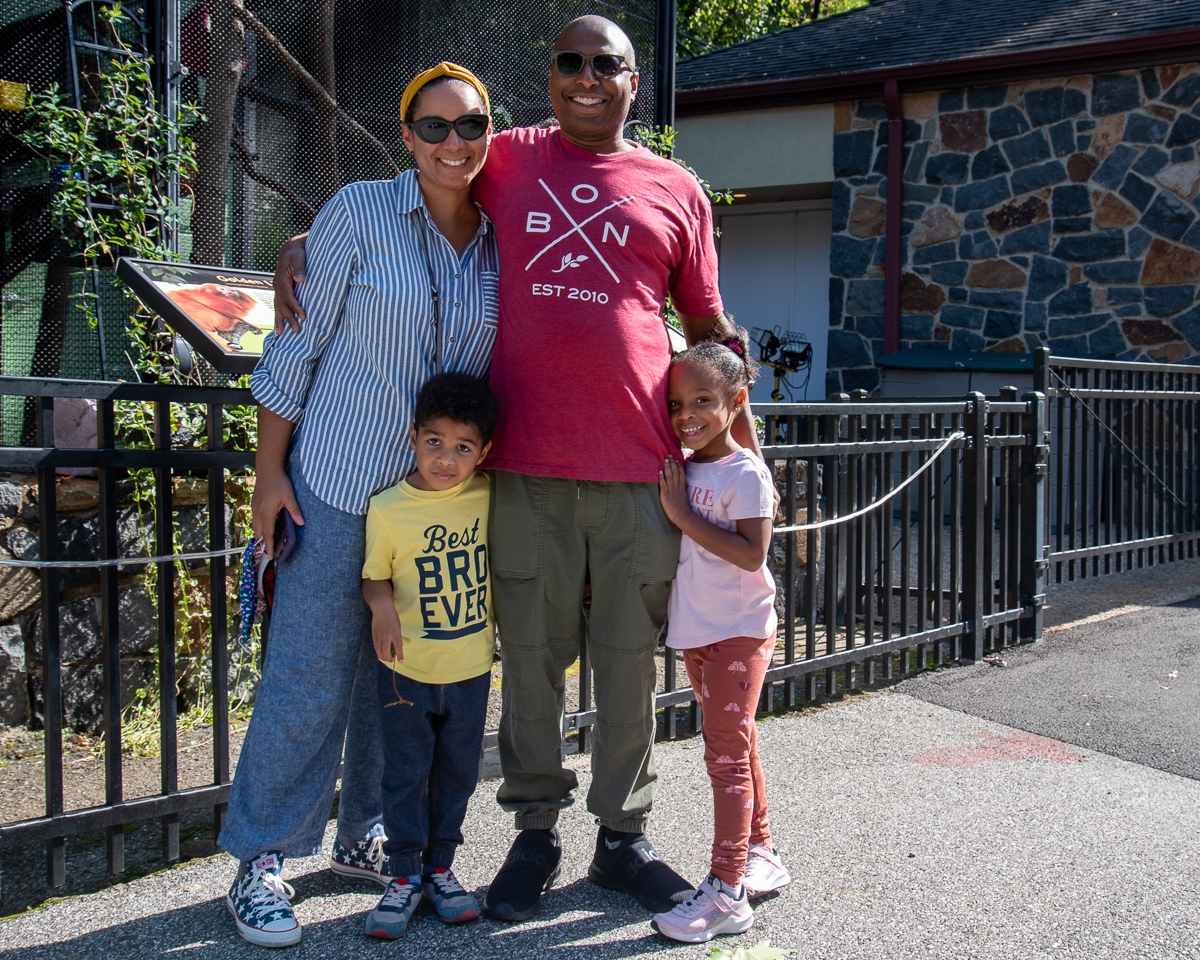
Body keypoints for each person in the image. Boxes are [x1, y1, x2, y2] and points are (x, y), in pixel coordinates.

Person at [272, 16, 763, 923]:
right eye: (570, 62)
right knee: (530, 668)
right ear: (550, 76)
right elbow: (423, 175)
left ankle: (623, 839)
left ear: (633, 80)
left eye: (605, 63)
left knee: (625, 667)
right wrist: (307, 236)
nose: (586, 76)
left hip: (638, 477)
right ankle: (535, 833)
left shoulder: (677, 189)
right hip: (524, 473)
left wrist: (741, 447)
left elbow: (706, 326)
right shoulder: (506, 156)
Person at [221, 63, 498, 949]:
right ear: (406, 134)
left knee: (401, 682)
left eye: (471, 124)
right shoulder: (357, 214)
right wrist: (271, 475)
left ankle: (366, 833)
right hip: (338, 485)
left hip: (430, 505)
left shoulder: (502, 241)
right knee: (306, 677)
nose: (454, 142)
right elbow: (292, 354)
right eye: (434, 126)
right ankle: (261, 860)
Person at [651, 331, 791, 943]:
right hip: (697, 629)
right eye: (678, 405)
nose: (688, 416)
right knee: (739, 740)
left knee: (726, 755)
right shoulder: (686, 465)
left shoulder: (745, 474)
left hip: (738, 629)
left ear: (735, 401)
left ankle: (728, 889)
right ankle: (760, 849)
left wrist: (683, 517)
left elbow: (751, 552)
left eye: (703, 401)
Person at [360, 371, 498, 940]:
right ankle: (402, 875)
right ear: (413, 436)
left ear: (483, 452)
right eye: (434, 441)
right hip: (406, 671)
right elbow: (374, 579)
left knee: (457, 775)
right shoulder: (389, 508)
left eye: (463, 447)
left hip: (470, 669)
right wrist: (382, 607)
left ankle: (441, 870)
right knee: (405, 775)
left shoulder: (490, 495)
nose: (446, 458)